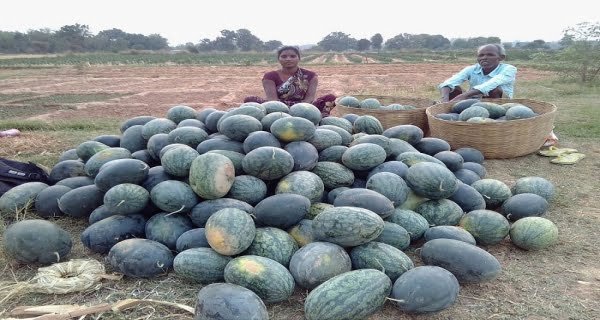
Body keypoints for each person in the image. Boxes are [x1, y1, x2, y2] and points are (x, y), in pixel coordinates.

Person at [244, 46, 336, 116]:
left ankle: (320, 119)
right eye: (284, 56)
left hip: (303, 106)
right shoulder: (270, 76)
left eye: (292, 56)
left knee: (330, 98)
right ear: (279, 59)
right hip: (278, 107)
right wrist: (284, 112)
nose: (288, 59)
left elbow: (309, 99)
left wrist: (300, 110)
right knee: (249, 100)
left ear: (298, 58)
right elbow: (272, 100)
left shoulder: (311, 75)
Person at [438, 44, 517, 102]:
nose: (484, 58)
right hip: (473, 101)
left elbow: (491, 84)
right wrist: (444, 101)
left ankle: (493, 118)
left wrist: (464, 95)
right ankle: (452, 111)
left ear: (501, 57)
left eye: (490, 55)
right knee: (454, 88)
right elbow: (448, 83)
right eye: (481, 55)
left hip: (501, 104)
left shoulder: (509, 69)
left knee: (494, 89)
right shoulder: (471, 69)